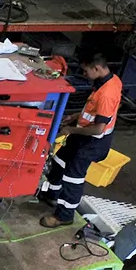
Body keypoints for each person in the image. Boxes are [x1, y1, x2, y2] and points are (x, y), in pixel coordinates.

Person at [40, 52, 122, 228]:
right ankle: (51, 196)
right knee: (59, 162)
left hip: (93, 142)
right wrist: (75, 116)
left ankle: (64, 216)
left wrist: (70, 129)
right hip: (83, 133)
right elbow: (94, 112)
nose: (84, 74)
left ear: (97, 68)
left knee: (73, 178)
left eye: (86, 71)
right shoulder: (108, 80)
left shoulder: (107, 93)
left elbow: (98, 128)